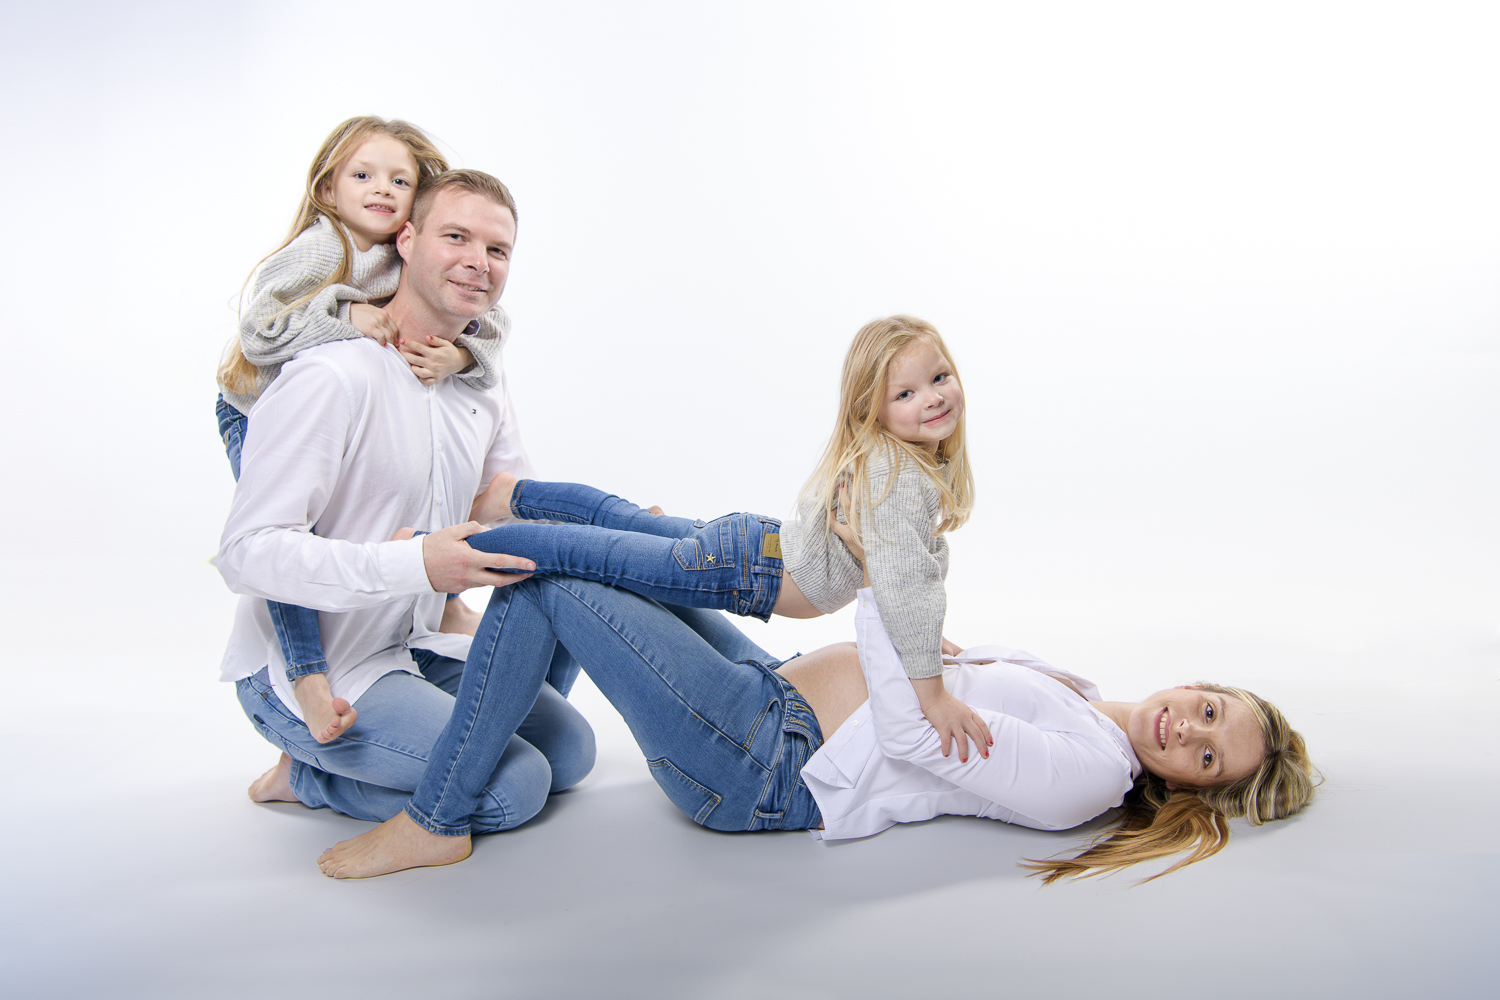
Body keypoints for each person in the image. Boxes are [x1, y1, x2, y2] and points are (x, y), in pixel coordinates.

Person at [314, 512, 1316, 881]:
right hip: (765, 693)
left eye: (1204, 757)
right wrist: (918, 628)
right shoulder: (1085, 694)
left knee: (555, 580)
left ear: (1188, 787)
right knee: (587, 519)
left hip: (758, 764)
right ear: (1201, 685)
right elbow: (943, 676)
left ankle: (435, 815)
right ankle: (495, 564)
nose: (1188, 730)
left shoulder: (1087, 780)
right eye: (1211, 713)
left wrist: (889, 596)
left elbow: (921, 736)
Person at [215, 169, 595, 850]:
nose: (478, 262)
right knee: (514, 789)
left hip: (412, 645)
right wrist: (414, 561)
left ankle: (385, 743)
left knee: (570, 755)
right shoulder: (331, 375)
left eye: (498, 249)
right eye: (456, 237)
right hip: (322, 670)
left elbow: (503, 497)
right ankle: (307, 775)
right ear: (409, 239)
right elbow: (248, 551)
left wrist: (613, 529)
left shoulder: (475, 382)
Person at [215, 116, 507, 744]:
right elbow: (259, 331)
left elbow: (491, 323)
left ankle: (444, 608)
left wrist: (462, 357)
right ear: (328, 189)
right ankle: (306, 675)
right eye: (363, 175)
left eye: (400, 179)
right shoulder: (324, 248)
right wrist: (344, 313)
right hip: (254, 404)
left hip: (332, 393)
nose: (381, 188)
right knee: (291, 536)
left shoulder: (408, 254)